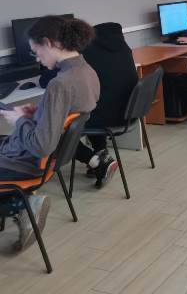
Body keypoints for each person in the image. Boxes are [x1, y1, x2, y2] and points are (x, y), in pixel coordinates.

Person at [0, 16, 99, 251]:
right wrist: (38, 113)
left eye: (37, 52)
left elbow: (42, 145)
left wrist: (19, 119)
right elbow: (67, 114)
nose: (38, 59)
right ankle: (20, 203)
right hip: (50, 160)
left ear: (49, 43)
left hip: (31, 161)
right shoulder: (87, 71)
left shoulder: (59, 84)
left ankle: (20, 206)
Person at [77, 22, 138, 188]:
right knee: (90, 107)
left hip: (108, 116)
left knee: (63, 125)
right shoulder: (125, 49)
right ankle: (101, 153)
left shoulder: (89, 54)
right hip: (129, 113)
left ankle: (96, 161)